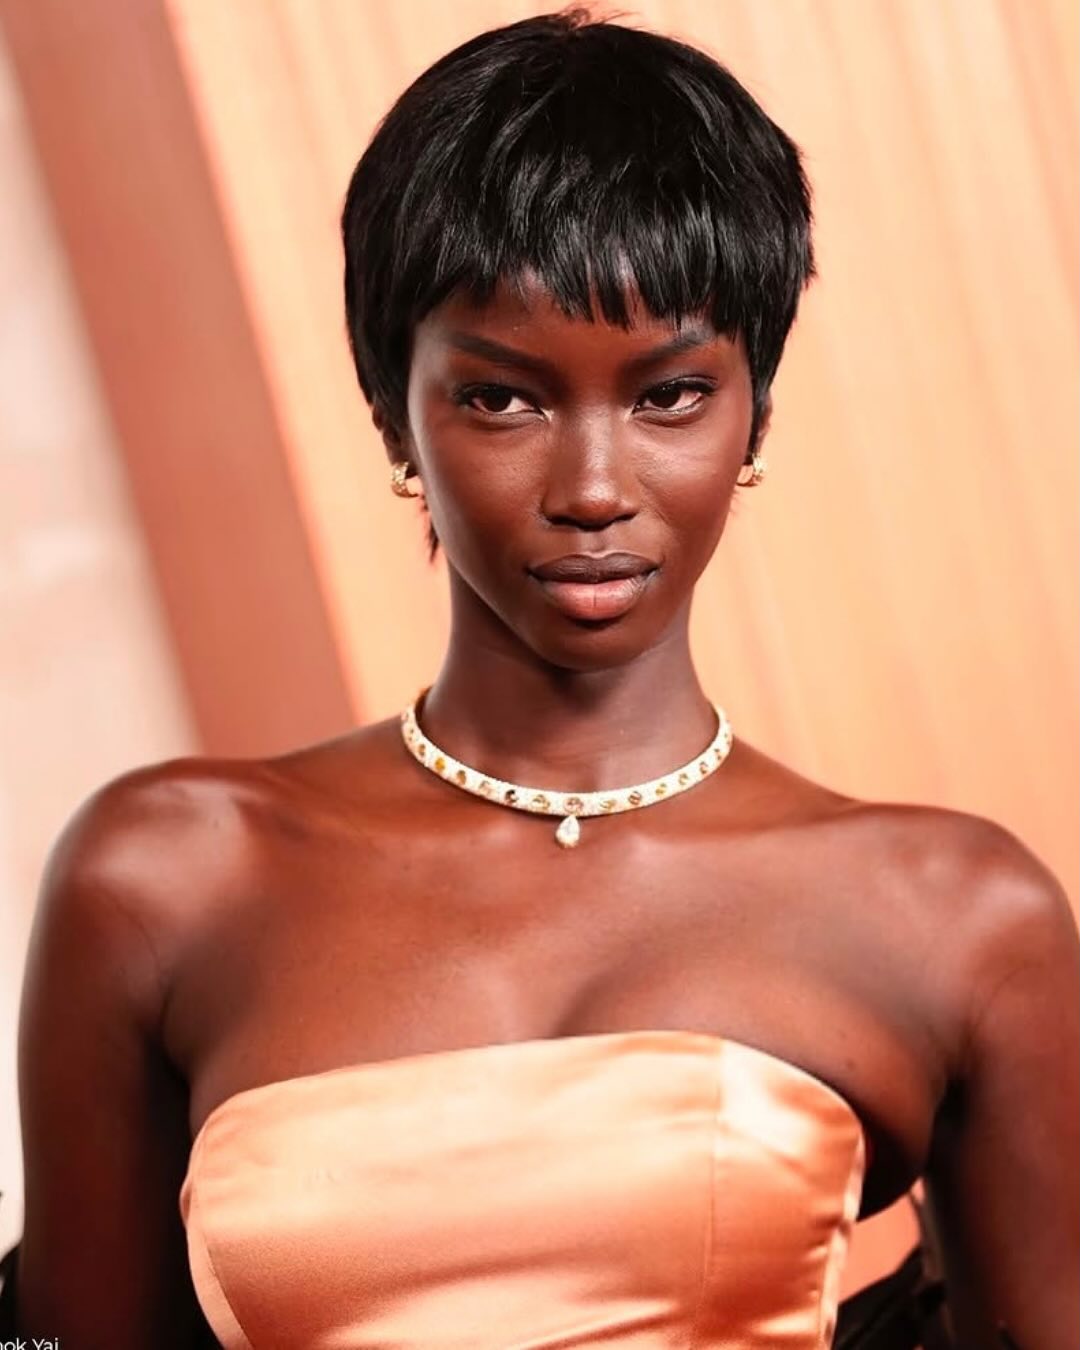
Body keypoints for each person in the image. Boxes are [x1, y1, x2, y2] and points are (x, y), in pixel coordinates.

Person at [9, 9, 1080, 1348]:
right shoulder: (165, 879)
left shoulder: (956, 918)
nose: (592, 488)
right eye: (502, 398)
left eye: (670, 394)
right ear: (393, 410)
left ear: (756, 408)